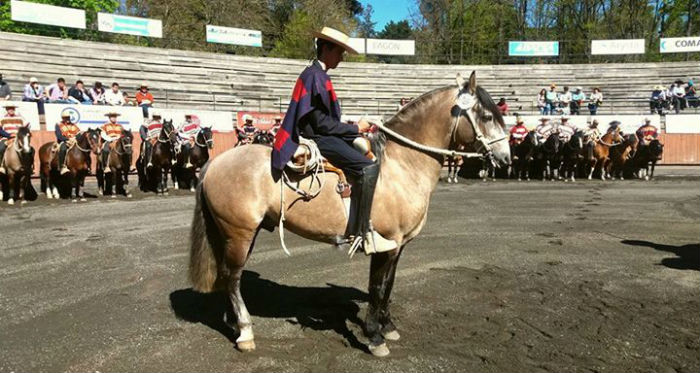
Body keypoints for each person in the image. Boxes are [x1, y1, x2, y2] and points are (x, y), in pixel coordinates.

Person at [271, 26, 395, 254]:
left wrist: (352, 130)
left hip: (322, 134)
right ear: (326, 49)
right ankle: (363, 234)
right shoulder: (314, 76)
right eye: (339, 52)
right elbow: (320, 124)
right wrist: (355, 127)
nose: (342, 57)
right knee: (369, 167)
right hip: (319, 138)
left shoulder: (317, 75)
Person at [0, 104, 30, 174]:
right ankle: (1, 166)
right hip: (7, 138)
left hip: (19, 138)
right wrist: (8, 135)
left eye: (12, 108)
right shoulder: (2, 118)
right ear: (6, 110)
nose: (11, 110)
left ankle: (29, 166)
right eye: (9, 109)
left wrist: (21, 134)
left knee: (29, 149)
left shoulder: (20, 118)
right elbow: (0, 130)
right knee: (1, 148)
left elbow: (26, 127)